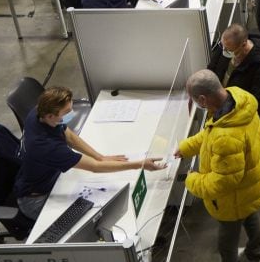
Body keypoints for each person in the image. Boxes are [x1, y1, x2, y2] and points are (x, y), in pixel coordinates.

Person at [15, 86, 162, 220]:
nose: (71, 114)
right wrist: (140, 164)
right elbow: (94, 167)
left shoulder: (39, 112)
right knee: (88, 218)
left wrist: (100, 156)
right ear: (50, 116)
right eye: (66, 112)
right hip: (37, 200)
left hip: (50, 178)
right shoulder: (46, 146)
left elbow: (68, 135)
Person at [175, 71, 260, 262]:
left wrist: (191, 179)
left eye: (193, 101)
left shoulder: (226, 137)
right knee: (251, 215)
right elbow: (210, 133)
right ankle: (255, 253)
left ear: (203, 99)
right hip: (251, 185)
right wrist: (186, 147)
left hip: (234, 198)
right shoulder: (237, 101)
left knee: (227, 244)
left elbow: (222, 182)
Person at [209, 24, 260, 212]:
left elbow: (257, 100)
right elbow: (214, 68)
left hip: (256, 120)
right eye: (224, 47)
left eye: (230, 50)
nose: (225, 52)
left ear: (244, 45)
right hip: (227, 113)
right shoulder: (227, 47)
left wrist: (228, 106)